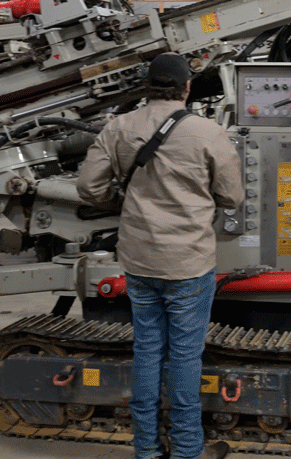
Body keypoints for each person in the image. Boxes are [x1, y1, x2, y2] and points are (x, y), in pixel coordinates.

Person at [77, 52, 244, 459]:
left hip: (139, 260)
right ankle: (188, 450)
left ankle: (147, 449)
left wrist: (122, 199)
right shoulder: (207, 133)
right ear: (187, 88)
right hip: (188, 263)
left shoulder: (119, 127)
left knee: (148, 350)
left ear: (147, 86)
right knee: (186, 355)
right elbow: (233, 196)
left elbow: (88, 187)